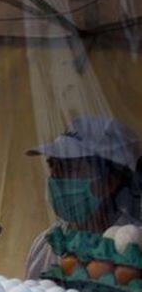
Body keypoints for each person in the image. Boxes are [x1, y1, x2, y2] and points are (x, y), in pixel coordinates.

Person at [24, 116, 141, 279]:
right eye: (52, 164)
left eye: (68, 167)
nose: (55, 176)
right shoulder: (45, 245)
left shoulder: (132, 245)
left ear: (110, 181)